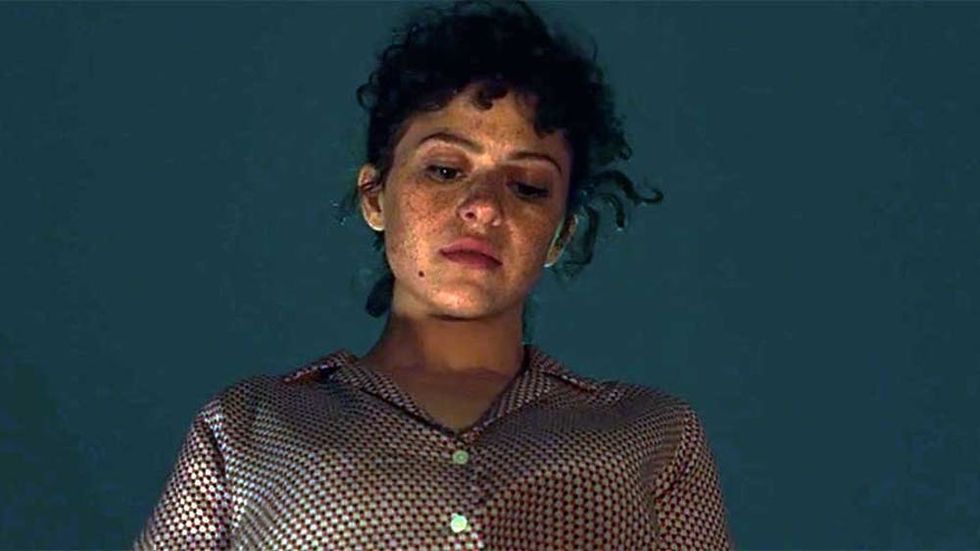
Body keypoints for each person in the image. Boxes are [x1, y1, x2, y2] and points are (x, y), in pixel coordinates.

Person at [134, 1, 734, 548]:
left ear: (560, 234)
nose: (485, 207)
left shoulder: (650, 433)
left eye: (527, 186)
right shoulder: (248, 426)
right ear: (375, 196)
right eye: (445, 170)